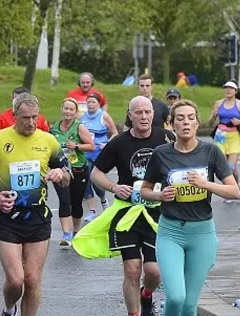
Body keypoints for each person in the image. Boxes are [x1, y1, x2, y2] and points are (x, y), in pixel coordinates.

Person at [0, 92, 71, 316]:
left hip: (38, 216)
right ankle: (9, 308)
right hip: (7, 217)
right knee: (16, 280)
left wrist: (60, 173)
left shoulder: (48, 140)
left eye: (35, 117)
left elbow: (67, 177)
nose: (31, 122)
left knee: (32, 279)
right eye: (25, 117)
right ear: (14, 115)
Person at [141, 100, 240, 316]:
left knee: (189, 305)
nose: (186, 122)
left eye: (190, 118)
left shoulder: (211, 152)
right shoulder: (161, 153)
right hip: (171, 232)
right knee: (176, 297)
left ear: (197, 123)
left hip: (202, 233)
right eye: (180, 118)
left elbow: (234, 191)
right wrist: (160, 195)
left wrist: (205, 184)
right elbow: (144, 191)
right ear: (171, 124)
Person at [75, 95, 171, 316]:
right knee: (132, 268)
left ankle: (146, 295)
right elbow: (96, 174)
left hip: (157, 213)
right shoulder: (118, 143)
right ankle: (134, 314)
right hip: (127, 213)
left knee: (154, 271)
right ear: (130, 116)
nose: (144, 116)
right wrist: (114, 187)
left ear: (153, 115)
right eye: (138, 112)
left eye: (147, 112)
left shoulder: (165, 138)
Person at [49, 98, 95, 245]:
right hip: (61, 171)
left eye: (71, 109)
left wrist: (76, 146)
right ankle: (66, 235)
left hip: (79, 170)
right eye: (66, 108)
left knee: (76, 204)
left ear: (75, 113)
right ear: (62, 109)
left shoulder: (79, 127)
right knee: (64, 201)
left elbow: (91, 146)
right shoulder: (54, 128)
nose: (68, 112)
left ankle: (75, 231)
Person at [81, 92, 118, 221]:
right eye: (88, 102)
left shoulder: (104, 116)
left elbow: (115, 133)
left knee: (97, 184)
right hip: (85, 154)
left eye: (93, 102)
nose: (90, 105)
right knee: (85, 182)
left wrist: (107, 144)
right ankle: (92, 211)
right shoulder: (82, 117)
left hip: (98, 154)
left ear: (98, 104)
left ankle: (103, 200)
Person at [207, 81, 240, 184]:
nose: (228, 90)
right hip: (220, 136)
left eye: (231, 88)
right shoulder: (218, 103)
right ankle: (229, 190)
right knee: (222, 166)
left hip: (234, 137)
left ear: (236, 91)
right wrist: (214, 115)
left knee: (231, 167)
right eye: (226, 88)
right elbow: (209, 123)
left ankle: (237, 186)